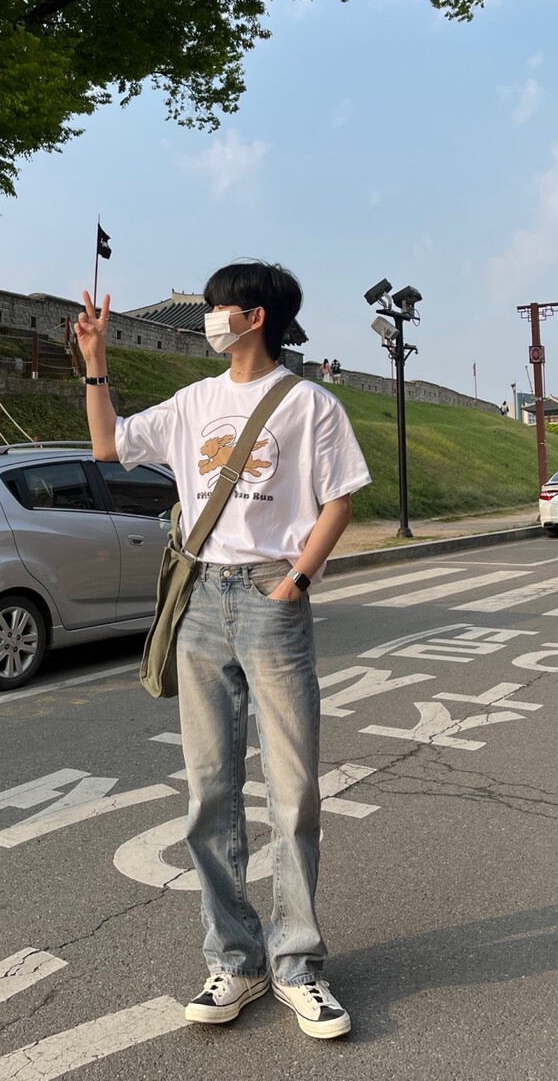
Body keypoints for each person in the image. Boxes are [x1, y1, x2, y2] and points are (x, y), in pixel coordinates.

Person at [76, 260, 371, 1040]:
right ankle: (235, 959)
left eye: (218, 306)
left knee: (293, 789)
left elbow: (339, 499)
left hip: (273, 593)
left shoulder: (311, 404)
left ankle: (297, 963)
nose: (209, 316)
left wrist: (296, 580)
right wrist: (96, 363)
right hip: (203, 598)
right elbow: (106, 444)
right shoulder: (192, 403)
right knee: (209, 790)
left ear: (255, 316)